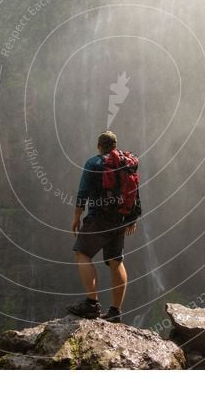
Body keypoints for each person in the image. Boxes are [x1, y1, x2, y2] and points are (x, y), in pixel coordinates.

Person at [66, 130, 139, 323]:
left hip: (99, 217)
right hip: (120, 219)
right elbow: (133, 190)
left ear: (99, 146)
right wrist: (133, 217)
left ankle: (91, 304)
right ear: (115, 146)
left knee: (82, 253)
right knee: (116, 261)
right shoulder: (127, 163)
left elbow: (83, 192)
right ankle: (115, 312)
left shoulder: (93, 163)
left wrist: (76, 217)